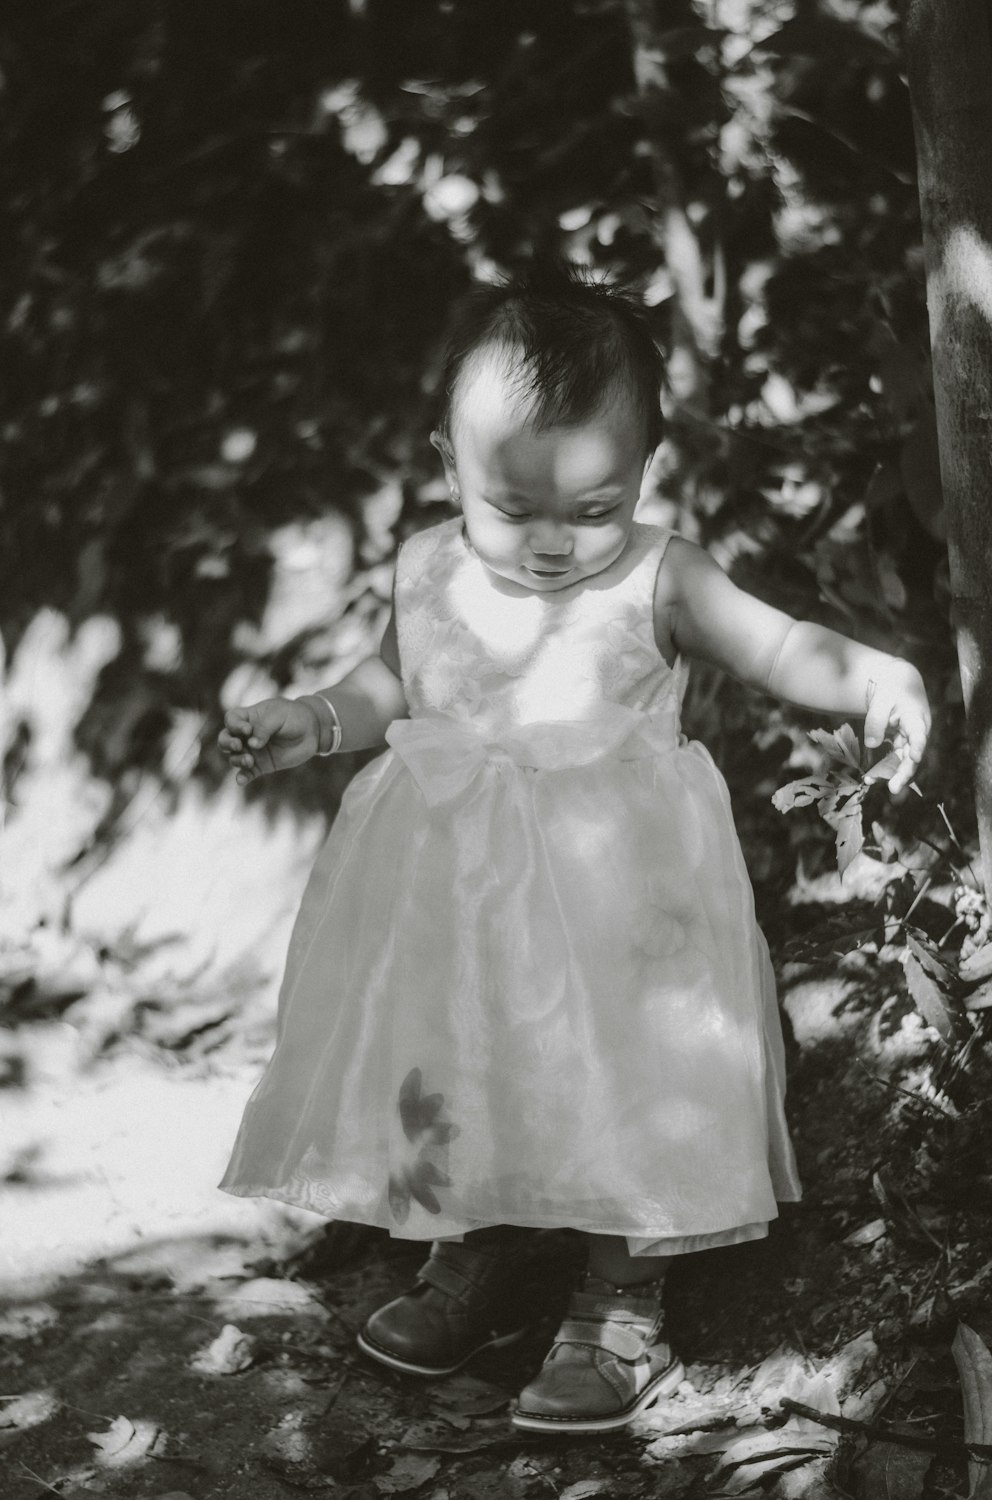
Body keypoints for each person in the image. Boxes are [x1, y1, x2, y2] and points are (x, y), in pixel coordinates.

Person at [217, 262, 931, 1434]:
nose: (553, 545)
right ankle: (478, 1251)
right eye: (514, 508)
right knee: (465, 1060)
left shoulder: (660, 575)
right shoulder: (429, 566)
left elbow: (778, 643)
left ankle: (618, 1300)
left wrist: (872, 677)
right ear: (448, 463)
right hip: (456, 892)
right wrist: (309, 725)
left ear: (647, 470)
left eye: (593, 509)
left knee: (629, 1078)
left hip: (622, 906)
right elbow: (388, 684)